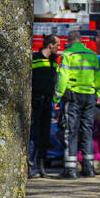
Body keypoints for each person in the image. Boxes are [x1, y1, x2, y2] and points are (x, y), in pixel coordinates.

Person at [55, 30, 100, 179]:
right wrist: (97, 92)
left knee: (71, 131)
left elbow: (63, 77)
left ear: (69, 40)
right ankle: (89, 169)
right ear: (80, 40)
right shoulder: (92, 54)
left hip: (73, 95)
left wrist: (57, 96)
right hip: (89, 96)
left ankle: (71, 170)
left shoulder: (67, 55)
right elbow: (98, 75)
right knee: (87, 130)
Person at [29, 35, 60, 178]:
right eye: (57, 45)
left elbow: (55, 82)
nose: (59, 48)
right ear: (50, 45)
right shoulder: (34, 58)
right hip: (35, 102)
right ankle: (31, 166)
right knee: (33, 135)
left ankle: (41, 167)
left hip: (48, 103)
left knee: (44, 135)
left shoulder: (54, 62)